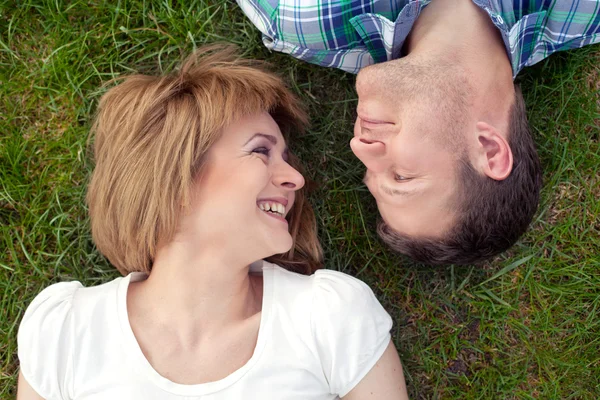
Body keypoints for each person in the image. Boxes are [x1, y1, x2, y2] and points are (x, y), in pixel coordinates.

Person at [16, 46, 409, 400]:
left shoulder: (328, 318)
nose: (295, 179)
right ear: (174, 174)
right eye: (260, 151)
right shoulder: (66, 333)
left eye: (285, 157)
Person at [238, 0, 600, 264]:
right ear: (489, 149)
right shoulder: (582, 12)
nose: (359, 146)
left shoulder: (304, 19)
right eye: (402, 176)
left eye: (370, 172)